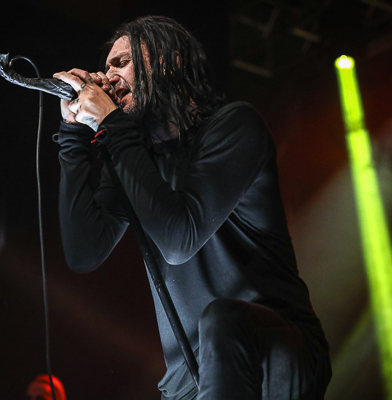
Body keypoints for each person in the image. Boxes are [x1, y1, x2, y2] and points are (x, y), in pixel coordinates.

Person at [51, 15, 331, 400]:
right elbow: (84, 253)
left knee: (223, 318)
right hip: (190, 382)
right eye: (107, 67)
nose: (108, 76)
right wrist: (72, 136)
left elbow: (178, 240)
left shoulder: (234, 126)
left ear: (170, 62)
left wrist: (112, 125)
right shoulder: (134, 162)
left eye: (122, 63)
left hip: (275, 353)